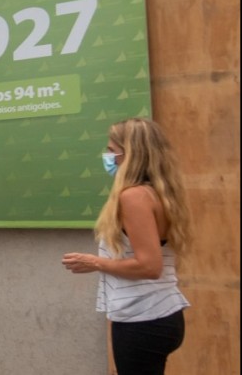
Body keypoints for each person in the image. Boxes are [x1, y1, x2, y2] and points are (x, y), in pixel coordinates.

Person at [62, 117, 192, 375]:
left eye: (111, 151)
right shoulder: (157, 192)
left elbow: (149, 266)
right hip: (160, 315)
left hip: (143, 319)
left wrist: (95, 262)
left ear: (130, 154)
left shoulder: (134, 197)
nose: (107, 156)